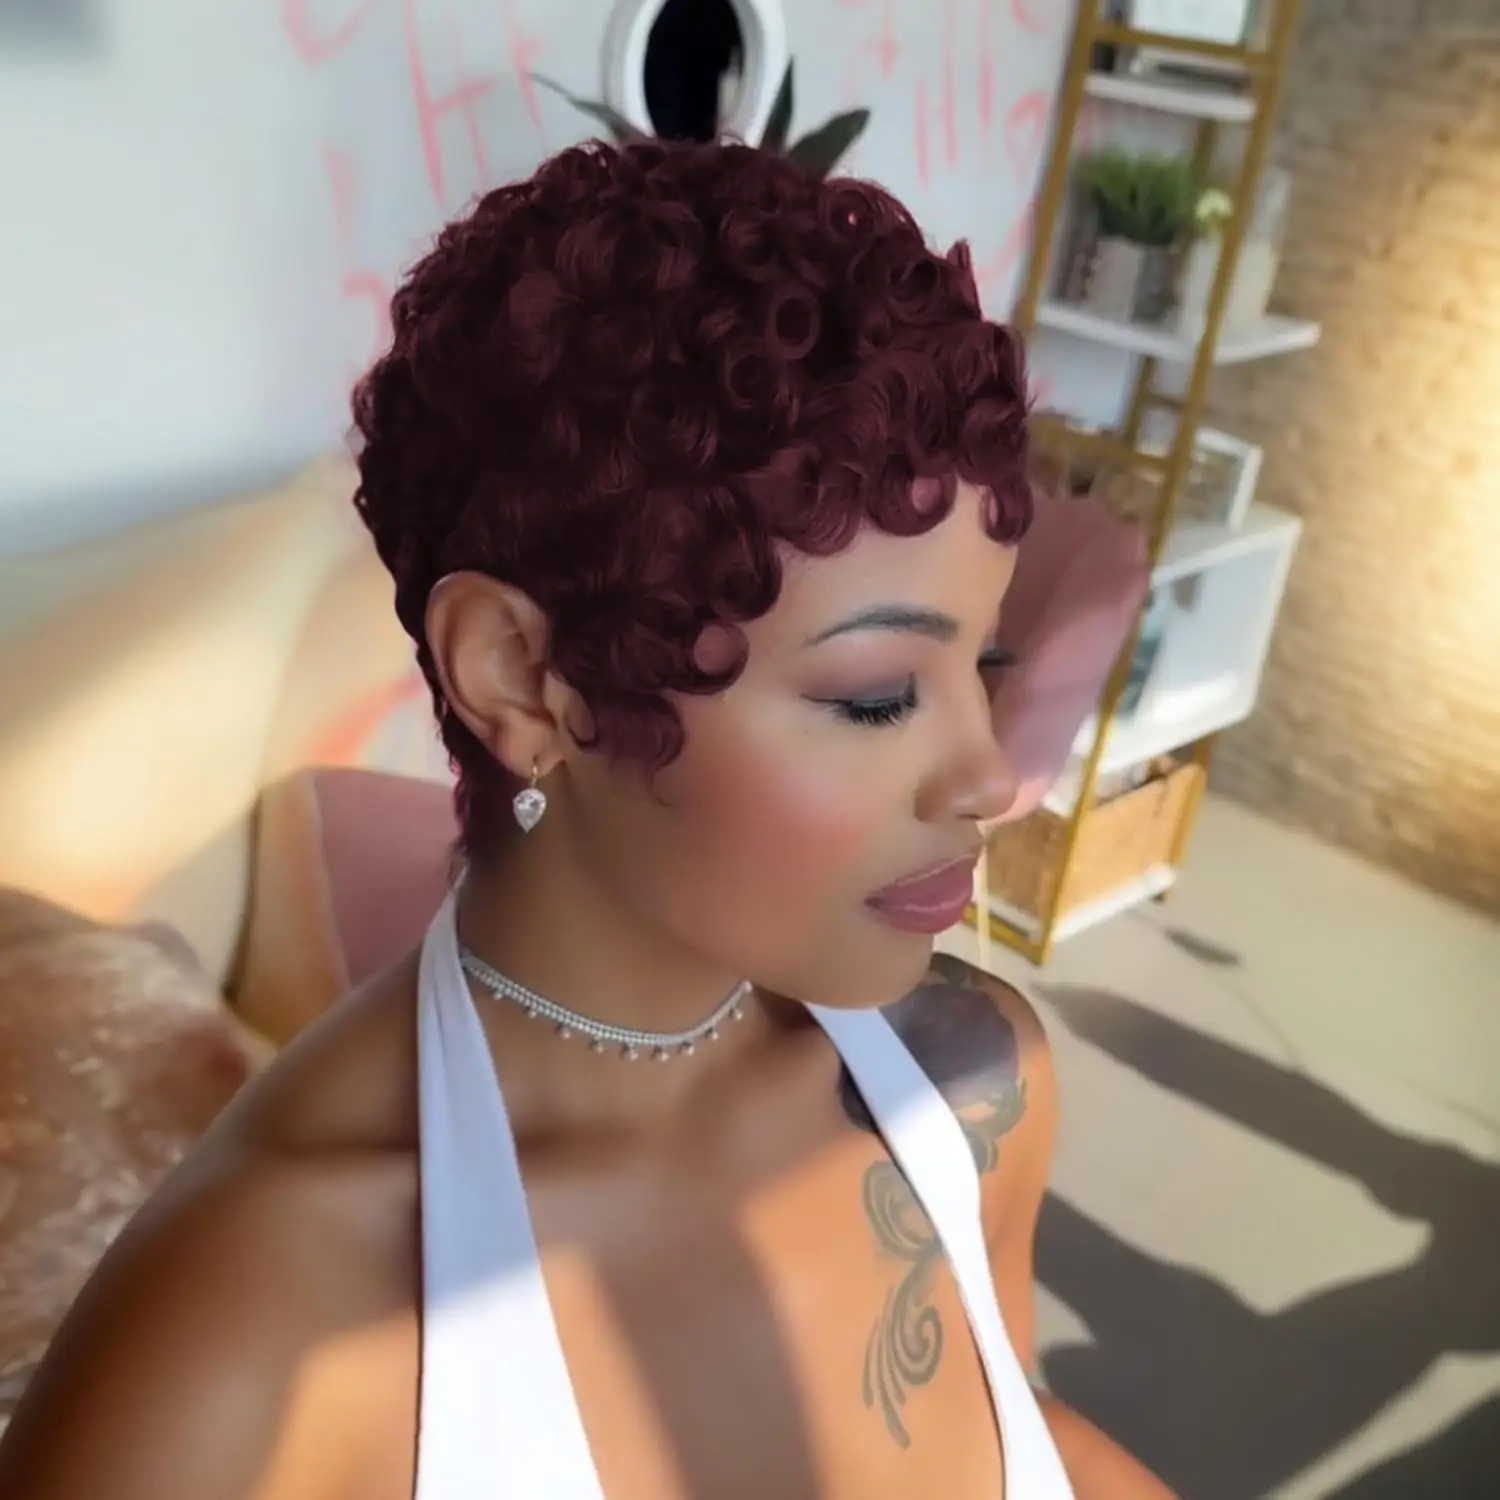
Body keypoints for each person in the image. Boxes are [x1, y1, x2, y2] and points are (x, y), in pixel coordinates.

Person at [0, 141, 1172, 1500]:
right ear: (519, 677)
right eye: (871, 696)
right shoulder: (251, 1354)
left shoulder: (978, 1083)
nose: (980, 774)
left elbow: (1012, 1421)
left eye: (984, 660)